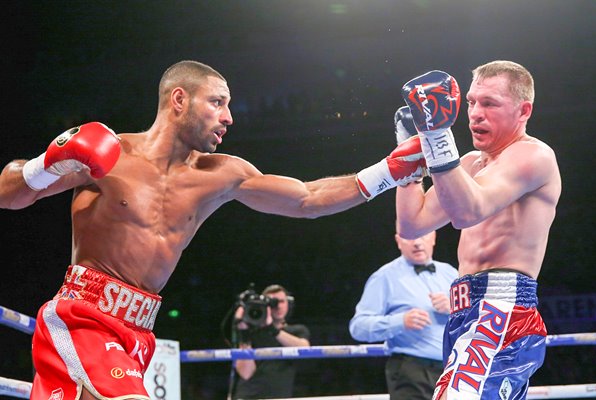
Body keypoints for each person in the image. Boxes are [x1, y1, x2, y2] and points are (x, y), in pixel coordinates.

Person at [0, 60, 427, 400]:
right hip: (85, 317)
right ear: (179, 99)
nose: (229, 117)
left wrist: (388, 171)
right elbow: (10, 193)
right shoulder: (111, 155)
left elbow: (307, 199)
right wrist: (47, 160)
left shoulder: (222, 174)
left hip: (137, 331)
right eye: (217, 103)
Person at [395, 60, 562, 400]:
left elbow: (469, 211)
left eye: (489, 103)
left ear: (523, 110)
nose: (474, 113)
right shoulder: (469, 163)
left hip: (502, 309)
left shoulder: (534, 155)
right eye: (471, 102)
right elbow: (412, 224)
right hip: (462, 313)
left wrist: (436, 136)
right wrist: (411, 160)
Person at [349, 229, 457, 400]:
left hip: (453, 370)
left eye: (423, 235)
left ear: (433, 237)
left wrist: (455, 309)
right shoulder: (384, 276)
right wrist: (400, 321)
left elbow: (476, 320)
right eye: (410, 236)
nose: (417, 242)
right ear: (398, 241)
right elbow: (358, 327)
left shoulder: (450, 273)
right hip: (411, 370)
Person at [232, 284, 309, 399]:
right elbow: (245, 373)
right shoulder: (252, 333)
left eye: (281, 301)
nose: (278, 306)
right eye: (272, 302)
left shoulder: (297, 331)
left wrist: (271, 329)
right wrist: (243, 333)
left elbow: (305, 349)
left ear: (289, 304)